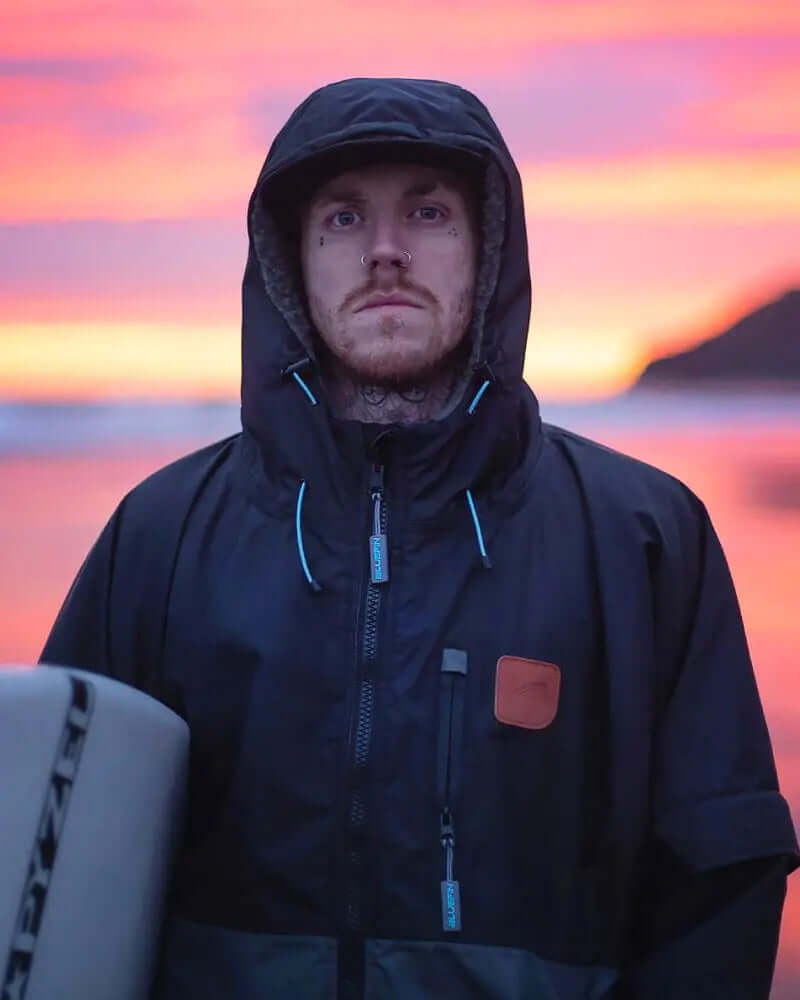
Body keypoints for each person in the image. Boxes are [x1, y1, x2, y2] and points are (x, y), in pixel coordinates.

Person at [41, 77, 798, 999]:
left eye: (429, 213)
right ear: (291, 260)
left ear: (488, 253)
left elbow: (718, 883)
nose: (388, 252)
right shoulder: (159, 538)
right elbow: (56, 856)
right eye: (345, 219)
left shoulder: (640, 539)